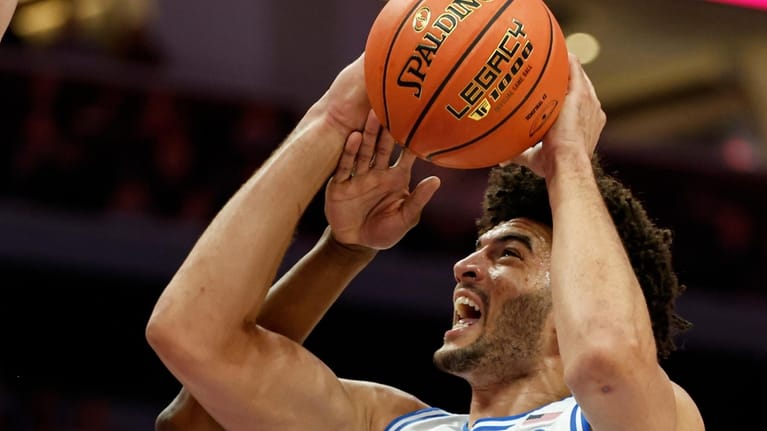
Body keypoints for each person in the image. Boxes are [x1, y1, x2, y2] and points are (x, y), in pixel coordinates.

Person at [146, 50, 705, 430]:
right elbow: (194, 348)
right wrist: (333, 121)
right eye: (479, 248)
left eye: (508, 252)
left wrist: (569, 164)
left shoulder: (645, 416)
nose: (463, 265)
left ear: (573, 304)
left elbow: (607, 361)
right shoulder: (386, 421)